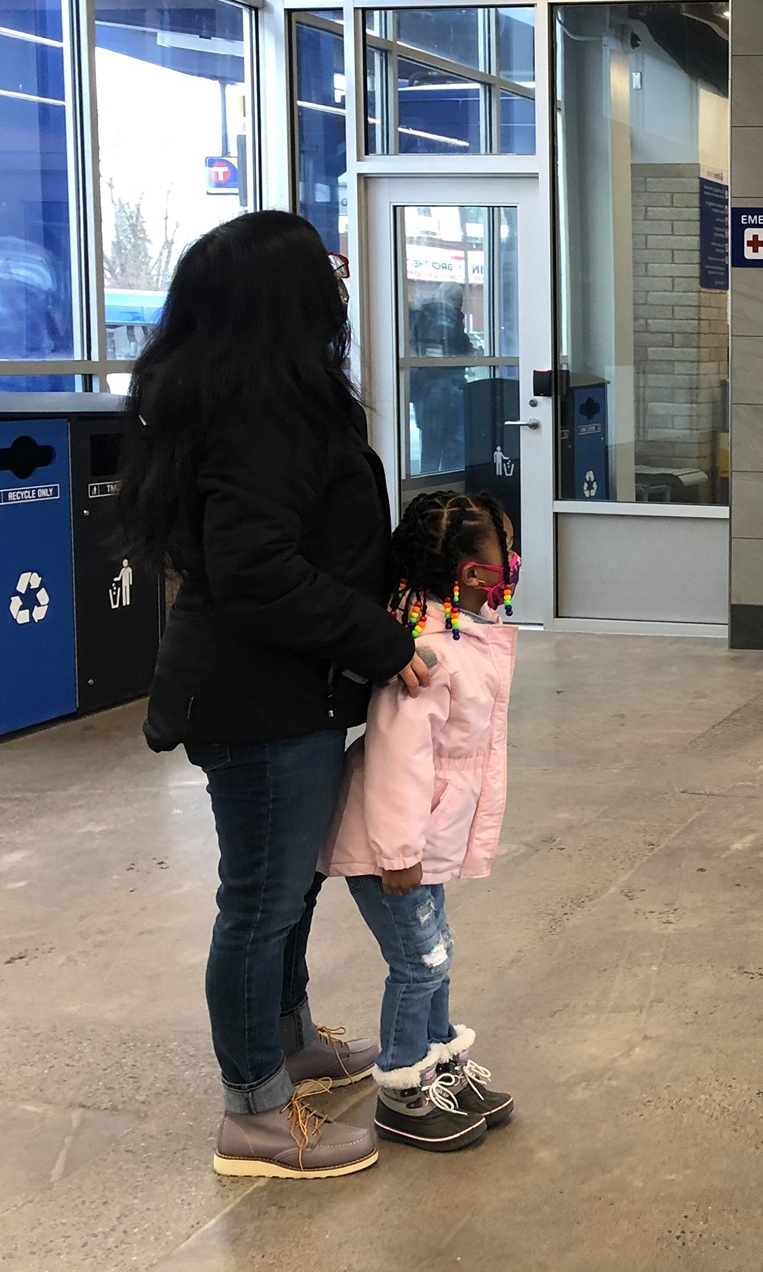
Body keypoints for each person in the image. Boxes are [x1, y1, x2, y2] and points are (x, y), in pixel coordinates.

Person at [121, 211, 430, 1180]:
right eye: (325, 271)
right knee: (258, 902)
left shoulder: (268, 400)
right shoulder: (252, 414)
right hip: (254, 700)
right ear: (284, 298)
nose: (339, 286)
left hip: (287, 690)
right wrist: (380, 641)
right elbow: (255, 571)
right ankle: (253, 1110)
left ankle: (289, 1040)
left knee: (289, 884)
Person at [322, 490, 520, 1153]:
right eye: (506, 555)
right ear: (471, 573)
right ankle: (403, 1092)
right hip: (393, 850)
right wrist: (400, 853)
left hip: (422, 843)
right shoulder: (424, 653)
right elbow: (397, 764)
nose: (513, 565)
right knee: (419, 963)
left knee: (437, 955)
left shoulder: (463, 635)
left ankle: (436, 1064)